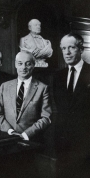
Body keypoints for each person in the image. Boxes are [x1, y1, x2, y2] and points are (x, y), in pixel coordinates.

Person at [0, 51, 52, 141]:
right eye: (20, 63)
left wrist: (27, 134)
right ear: (15, 65)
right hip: (7, 138)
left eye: (28, 64)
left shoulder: (42, 88)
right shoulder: (4, 86)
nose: (23, 67)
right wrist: (9, 131)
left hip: (32, 139)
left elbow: (46, 117)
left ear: (33, 65)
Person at [53, 33, 90, 167]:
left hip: (86, 142)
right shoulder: (58, 76)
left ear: (81, 49)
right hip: (62, 141)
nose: (66, 52)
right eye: (63, 48)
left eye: (71, 47)